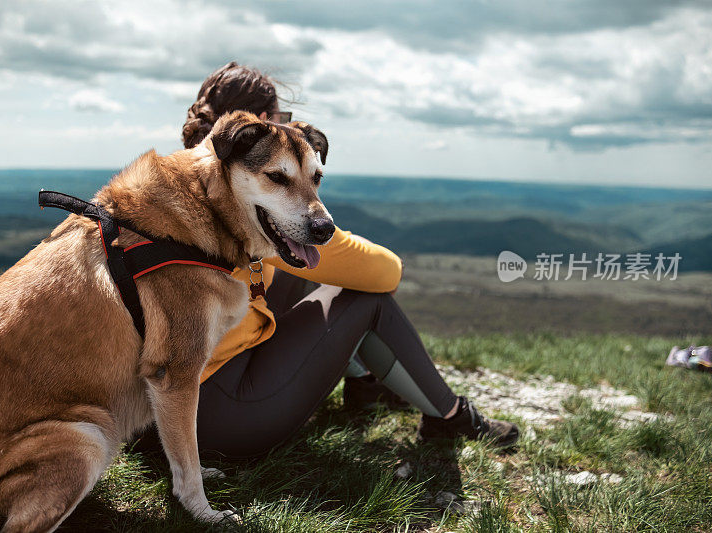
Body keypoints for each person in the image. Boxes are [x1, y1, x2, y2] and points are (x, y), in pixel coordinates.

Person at [144, 61, 519, 459]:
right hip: (211, 418)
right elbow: (384, 271)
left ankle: (367, 385)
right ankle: (452, 415)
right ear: (259, 124)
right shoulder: (240, 204)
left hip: (150, 412)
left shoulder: (179, 187)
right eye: (281, 119)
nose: (285, 129)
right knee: (363, 297)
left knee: (297, 267)